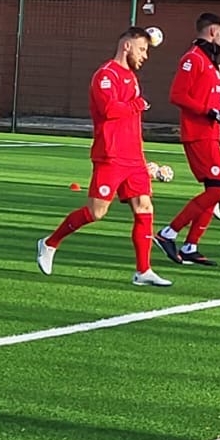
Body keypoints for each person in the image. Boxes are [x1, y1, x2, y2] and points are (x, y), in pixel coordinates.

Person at [36, 28, 172, 287]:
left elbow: (130, 120)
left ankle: (143, 271)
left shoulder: (131, 77)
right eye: (142, 49)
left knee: (145, 208)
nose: (145, 56)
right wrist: (138, 104)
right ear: (127, 46)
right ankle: (49, 243)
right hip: (110, 155)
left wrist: (142, 157)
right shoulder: (105, 75)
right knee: (96, 211)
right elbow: (109, 110)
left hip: (133, 157)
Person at [154, 13, 220, 267]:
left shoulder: (210, 61)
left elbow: (211, 97)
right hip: (198, 134)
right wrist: (207, 111)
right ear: (212, 32)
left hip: (210, 133)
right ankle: (168, 233)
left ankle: (190, 246)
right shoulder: (193, 58)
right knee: (216, 189)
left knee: (214, 191)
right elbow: (177, 95)